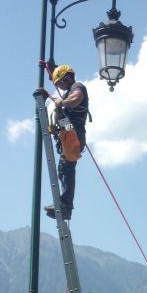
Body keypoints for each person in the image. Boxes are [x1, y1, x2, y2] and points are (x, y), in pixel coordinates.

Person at [39, 64, 89, 220]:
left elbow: (75, 99)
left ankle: (66, 206)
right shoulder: (69, 89)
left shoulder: (77, 87)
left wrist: (57, 101)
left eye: (60, 82)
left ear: (68, 78)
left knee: (67, 168)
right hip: (68, 132)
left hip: (74, 133)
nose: (59, 86)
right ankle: (65, 204)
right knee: (64, 167)